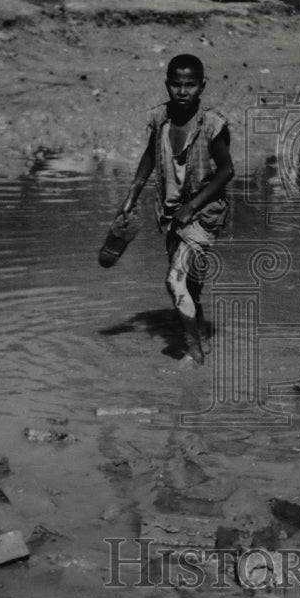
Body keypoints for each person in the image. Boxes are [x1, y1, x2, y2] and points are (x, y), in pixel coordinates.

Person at [118, 55, 234, 366]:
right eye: (176, 84)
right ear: (167, 84)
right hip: (169, 213)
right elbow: (150, 156)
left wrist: (192, 206)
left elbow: (226, 171)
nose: (183, 91)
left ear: (202, 87)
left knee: (174, 280)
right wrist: (131, 196)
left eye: (190, 85)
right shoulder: (160, 119)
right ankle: (202, 337)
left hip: (204, 214)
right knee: (190, 284)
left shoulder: (212, 125)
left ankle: (192, 349)